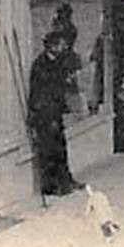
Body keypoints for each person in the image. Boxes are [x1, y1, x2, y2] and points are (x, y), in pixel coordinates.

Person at [27, 31, 82, 196]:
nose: (62, 47)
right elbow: (42, 90)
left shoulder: (58, 62)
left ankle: (66, 179)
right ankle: (51, 186)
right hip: (44, 113)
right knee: (49, 150)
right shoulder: (40, 64)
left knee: (61, 147)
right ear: (51, 46)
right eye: (60, 44)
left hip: (55, 111)